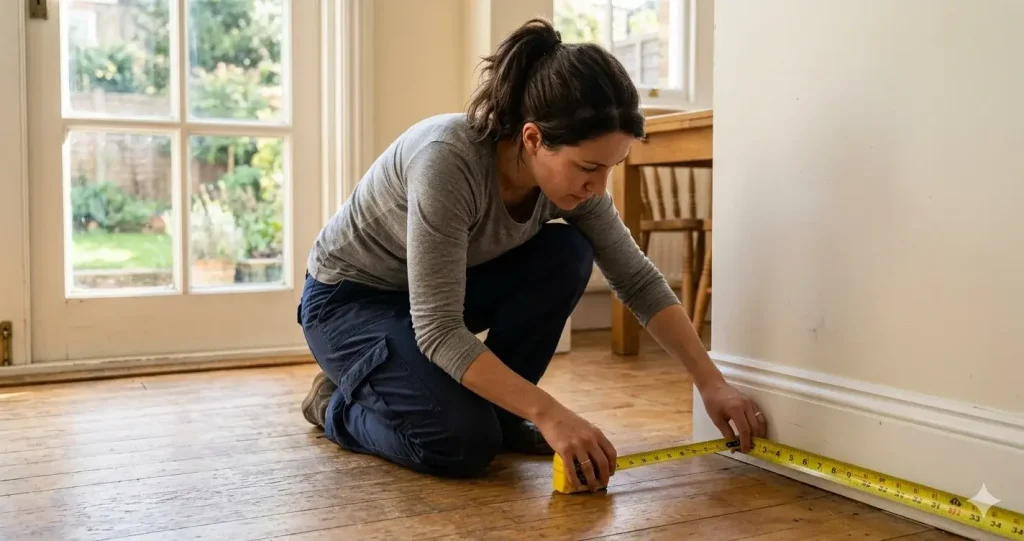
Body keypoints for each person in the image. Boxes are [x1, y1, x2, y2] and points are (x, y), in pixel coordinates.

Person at [297, 17, 767, 492]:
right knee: (461, 444)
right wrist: (550, 412)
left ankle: (499, 413)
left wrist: (712, 383)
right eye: (587, 167)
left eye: (610, 168)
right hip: (348, 302)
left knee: (566, 252)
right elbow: (438, 328)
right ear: (532, 138)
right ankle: (337, 404)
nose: (598, 188)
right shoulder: (446, 160)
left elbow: (638, 280)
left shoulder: (575, 187)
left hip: (432, 299)